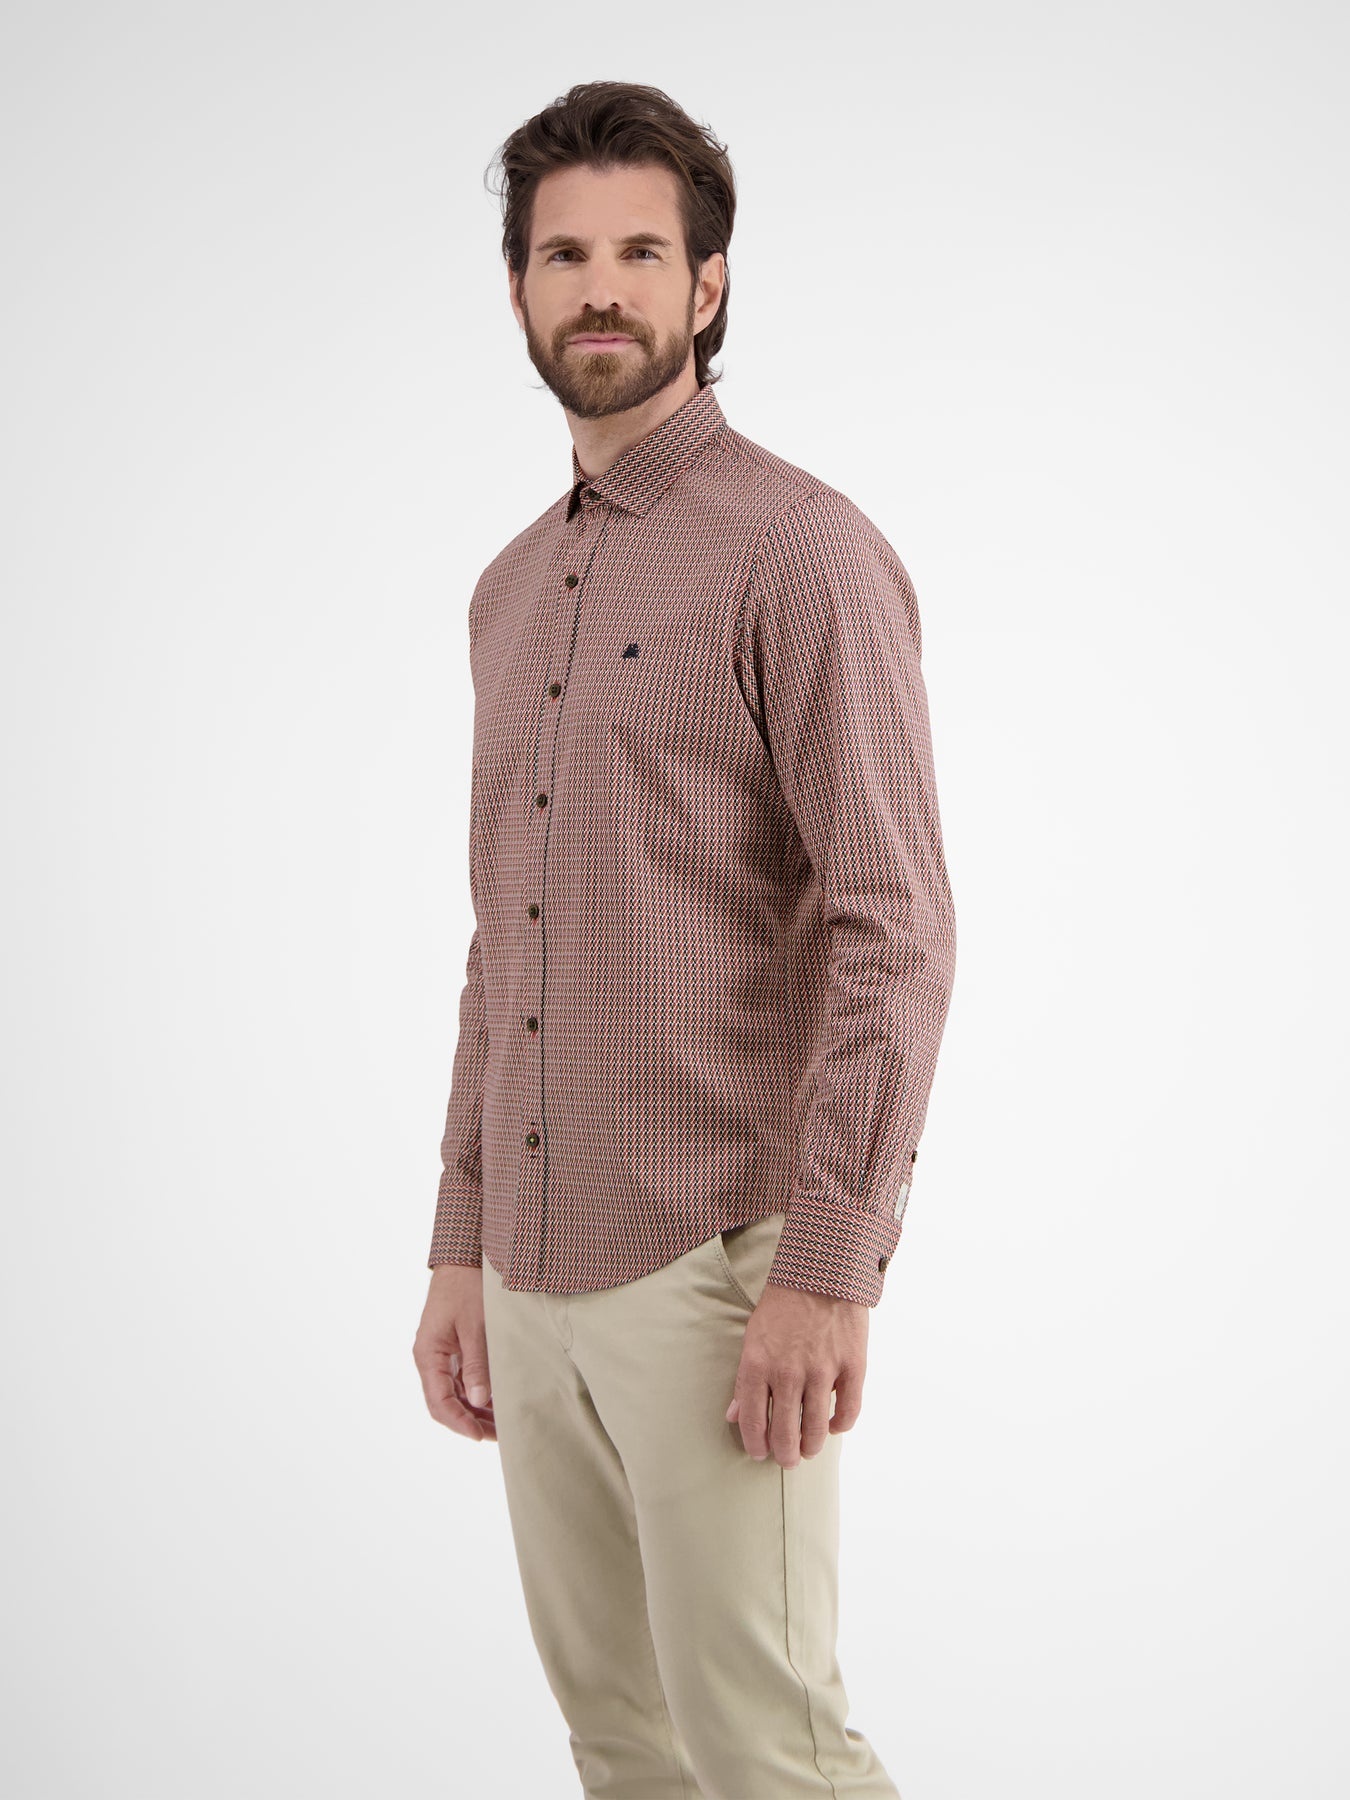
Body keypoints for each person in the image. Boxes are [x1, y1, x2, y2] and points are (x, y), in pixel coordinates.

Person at [412, 78, 957, 1799]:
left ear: (708, 284)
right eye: (563, 255)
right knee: (620, 1744)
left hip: (714, 1262)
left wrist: (827, 1268)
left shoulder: (799, 550)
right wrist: (458, 1239)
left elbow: (892, 925)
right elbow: (504, 939)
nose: (601, 289)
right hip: (531, 1268)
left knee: (768, 1750)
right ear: (517, 288)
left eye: (640, 253)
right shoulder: (507, 591)